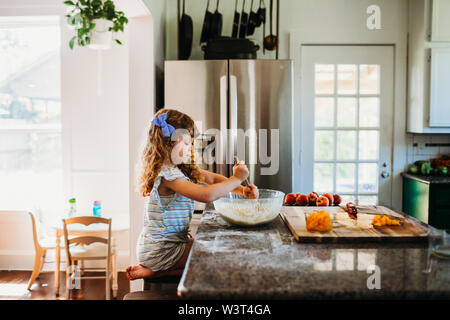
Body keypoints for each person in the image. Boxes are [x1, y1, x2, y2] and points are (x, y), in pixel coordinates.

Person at [126, 109, 259, 280]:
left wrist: (241, 189)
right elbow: (206, 195)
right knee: (218, 258)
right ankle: (154, 271)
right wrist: (236, 178)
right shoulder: (168, 176)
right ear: (168, 144)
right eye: (187, 143)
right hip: (161, 250)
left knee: (212, 250)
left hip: (165, 246)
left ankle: (154, 270)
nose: (191, 149)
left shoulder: (178, 169)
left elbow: (211, 179)